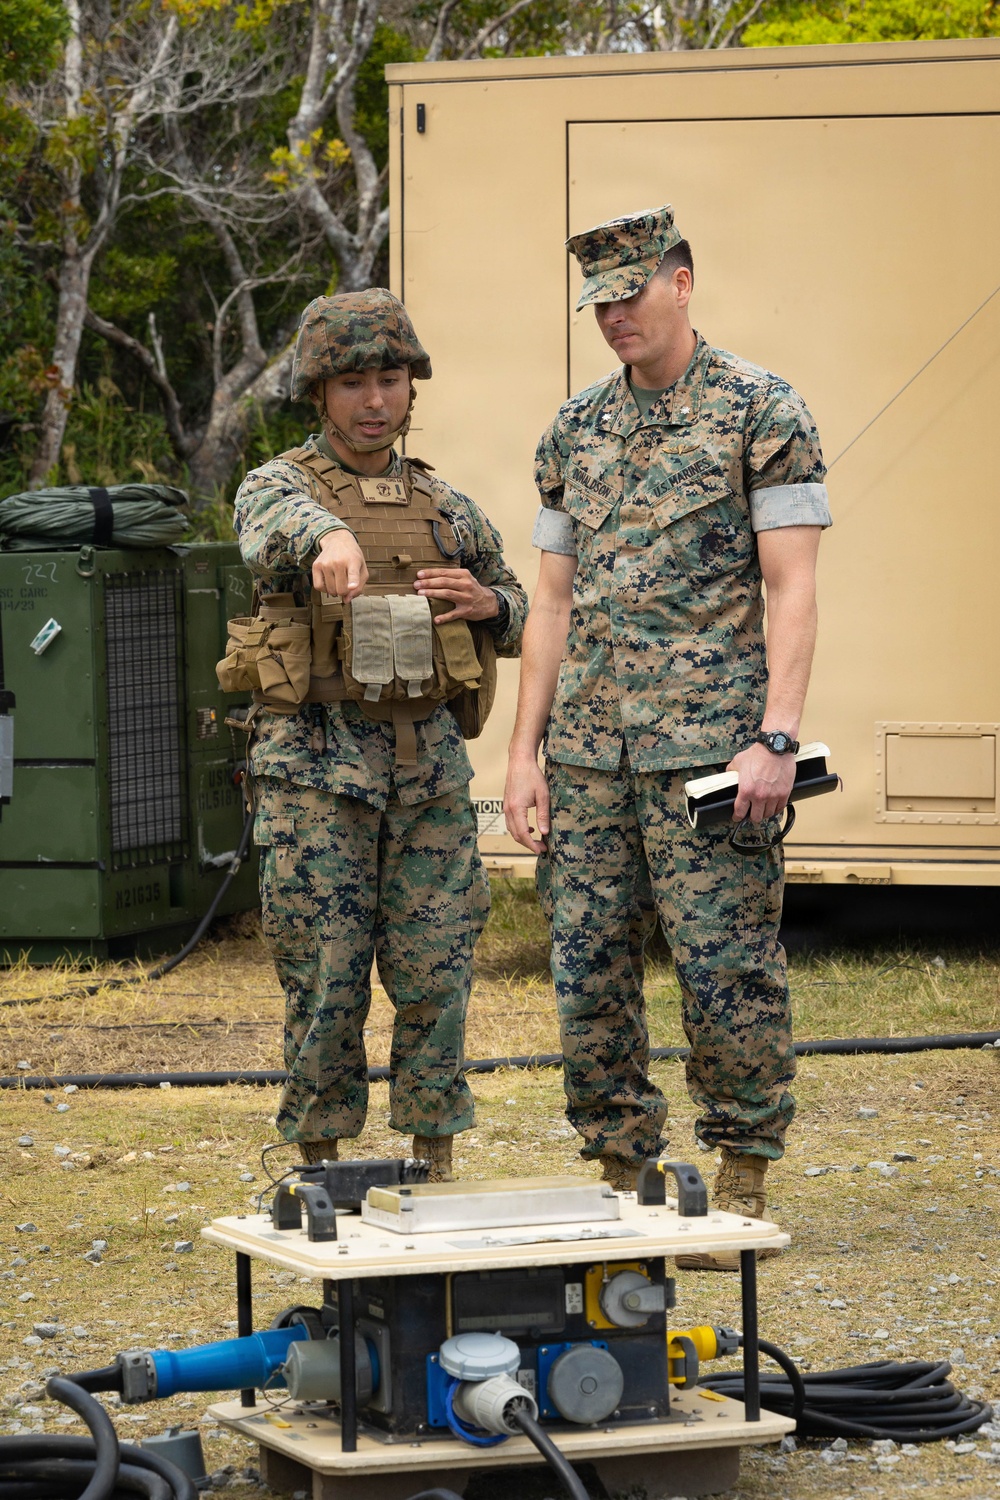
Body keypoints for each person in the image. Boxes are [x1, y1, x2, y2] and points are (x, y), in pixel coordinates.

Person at [504, 206, 830, 1269]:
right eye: (598, 300)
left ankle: (738, 1177)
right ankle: (620, 1175)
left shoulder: (760, 411)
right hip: (592, 753)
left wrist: (775, 737)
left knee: (723, 965)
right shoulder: (574, 430)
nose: (613, 316)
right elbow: (549, 604)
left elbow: (792, 587)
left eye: (630, 293)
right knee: (586, 968)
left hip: (713, 751)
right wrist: (523, 755)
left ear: (681, 283)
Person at [231, 288, 526, 1180]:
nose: (373, 400)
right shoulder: (278, 486)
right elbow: (265, 531)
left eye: (389, 378)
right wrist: (325, 532)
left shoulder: (448, 506)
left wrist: (489, 602)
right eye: (352, 382)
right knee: (325, 972)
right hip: (317, 772)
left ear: (411, 387)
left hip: (428, 772)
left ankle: (434, 1156)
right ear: (319, 393)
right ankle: (319, 1158)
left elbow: (525, 611)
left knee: (437, 969)